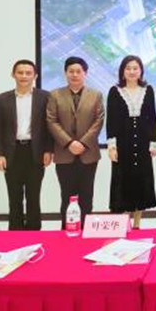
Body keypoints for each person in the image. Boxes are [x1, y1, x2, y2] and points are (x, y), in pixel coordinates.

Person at [0, 60, 53, 230]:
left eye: (28, 73)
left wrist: (48, 150)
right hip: (11, 152)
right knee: (14, 197)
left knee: (34, 196)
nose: (24, 76)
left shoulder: (45, 97)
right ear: (13, 75)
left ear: (35, 76)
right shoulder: (2, 99)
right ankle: (15, 232)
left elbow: (49, 126)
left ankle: (34, 232)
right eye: (20, 72)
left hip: (35, 151)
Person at [47, 56, 104, 228]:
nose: (74, 75)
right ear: (65, 73)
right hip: (64, 153)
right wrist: (69, 143)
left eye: (78, 71)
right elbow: (51, 121)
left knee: (86, 196)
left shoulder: (96, 95)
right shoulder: (55, 95)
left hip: (89, 154)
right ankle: (66, 229)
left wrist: (83, 143)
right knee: (67, 196)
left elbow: (99, 120)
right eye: (71, 71)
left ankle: (86, 230)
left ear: (85, 73)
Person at [107, 55, 156, 229]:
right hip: (123, 143)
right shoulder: (115, 91)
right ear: (122, 71)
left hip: (143, 143)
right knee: (123, 180)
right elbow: (111, 120)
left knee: (141, 181)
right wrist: (112, 146)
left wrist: (153, 142)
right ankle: (124, 223)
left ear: (141, 71)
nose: (132, 71)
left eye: (135, 68)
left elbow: (152, 118)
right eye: (128, 68)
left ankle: (137, 223)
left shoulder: (148, 90)